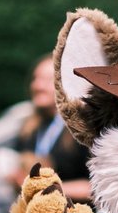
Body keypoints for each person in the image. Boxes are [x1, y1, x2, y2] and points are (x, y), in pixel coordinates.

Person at [9, 55, 92, 201]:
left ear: (67, 85)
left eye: (47, 80)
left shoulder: (84, 129)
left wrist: (49, 189)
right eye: (35, 79)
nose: (37, 86)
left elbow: (96, 189)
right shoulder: (29, 128)